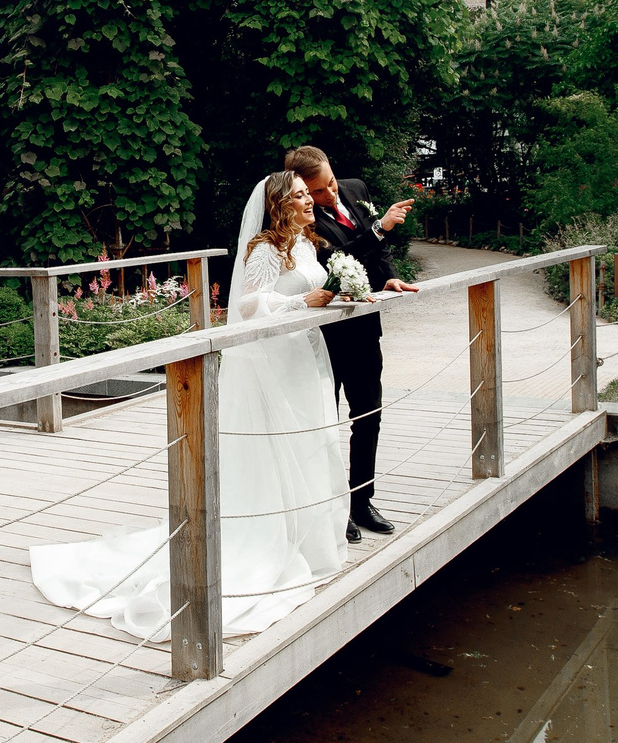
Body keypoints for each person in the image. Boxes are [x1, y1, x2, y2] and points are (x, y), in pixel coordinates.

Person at [28, 171, 349, 639]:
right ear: (280, 204)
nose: (309, 200)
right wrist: (304, 303)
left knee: (309, 439)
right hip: (272, 357)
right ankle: (269, 539)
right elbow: (246, 306)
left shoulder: (306, 242)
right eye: (300, 196)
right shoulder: (263, 249)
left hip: (302, 354)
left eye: (308, 194)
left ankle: (312, 537)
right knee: (275, 446)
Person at [284, 145, 418, 540]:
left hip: (364, 328)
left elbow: (378, 251)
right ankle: (333, 506)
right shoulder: (301, 217)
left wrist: (390, 275)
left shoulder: (356, 188)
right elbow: (335, 262)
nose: (329, 195)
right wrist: (379, 229)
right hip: (325, 336)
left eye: (329, 185)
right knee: (324, 422)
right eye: (317, 191)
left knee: (368, 416)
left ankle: (362, 501)